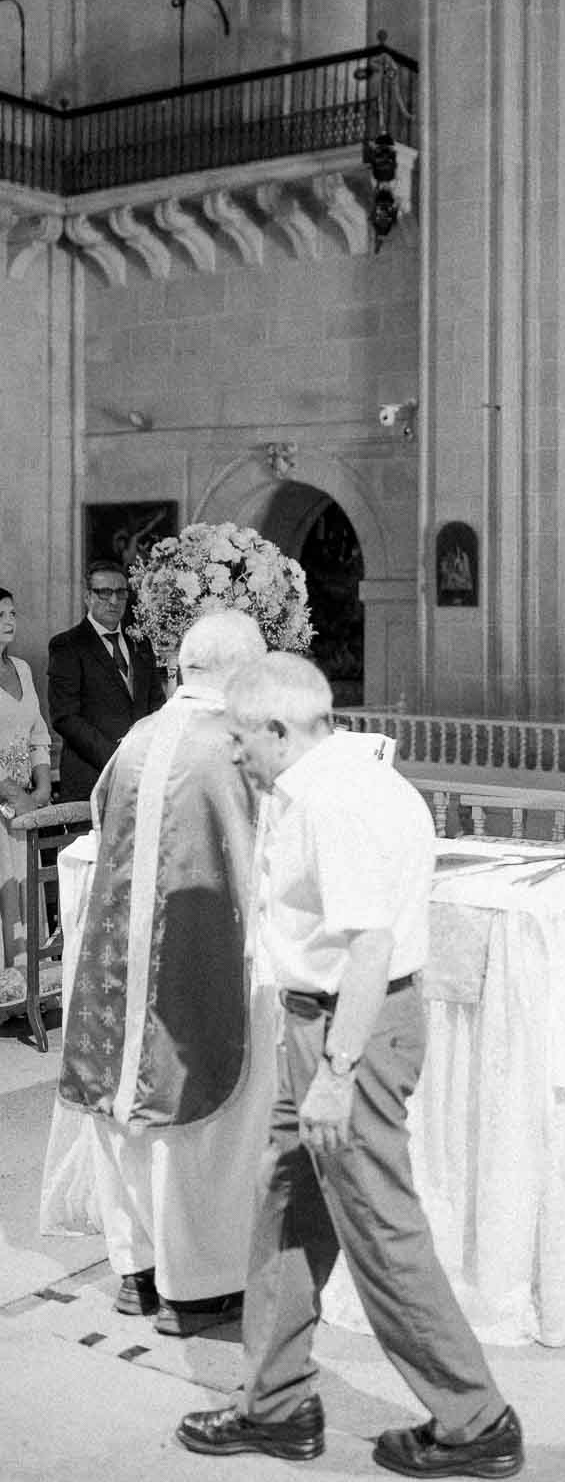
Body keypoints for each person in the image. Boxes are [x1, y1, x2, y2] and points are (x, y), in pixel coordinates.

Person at [177, 652, 523, 1477]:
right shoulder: (340, 779)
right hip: (324, 1025)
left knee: (379, 1230)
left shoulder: (335, 800)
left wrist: (335, 1071)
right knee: (286, 1209)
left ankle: (475, 1419)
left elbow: (370, 946)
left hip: (349, 1032)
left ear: (279, 728)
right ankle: (278, 1404)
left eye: (238, 737)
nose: (231, 752)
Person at [55, 610, 270, 1337]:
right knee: (203, 1117)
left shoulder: (136, 739)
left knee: (125, 1115)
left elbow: (97, 822)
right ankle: (197, 1289)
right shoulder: (240, 746)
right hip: (196, 965)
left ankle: (135, 1271)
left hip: (117, 968)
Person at [48, 558, 166, 800]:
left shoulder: (141, 643)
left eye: (120, 593)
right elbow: (65, 717)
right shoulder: (67, 645)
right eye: (104, 593)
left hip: (141, 777)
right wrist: (116, 759)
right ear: (88, 597)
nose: (113, 601)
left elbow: (157, 706)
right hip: (91, 778)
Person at [0, 588, 54, 1007]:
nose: (9, 620)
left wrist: (42, 787)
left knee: (26, 887)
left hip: (26, 803)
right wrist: (9, 792)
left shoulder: (21, 667)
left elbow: (38, 734)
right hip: (2, 800)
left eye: (12, 612)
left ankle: (27, 988)